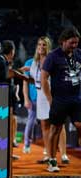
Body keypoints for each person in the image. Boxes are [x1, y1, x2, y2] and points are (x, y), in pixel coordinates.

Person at [41, 27, 81, 172]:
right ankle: (52, 161)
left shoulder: (79, 54)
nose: (74, 46)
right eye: (72, 43)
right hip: (59, 99)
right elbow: (44, 78)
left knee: (79, 125)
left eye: (76, 43)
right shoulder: (53, 56)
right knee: (55, 129)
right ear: (63, 41)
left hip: (76, 99)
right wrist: (50, 99)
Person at [27, 36, 69, 164]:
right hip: (40, 97)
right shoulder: (34, 63)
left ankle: (63, 155)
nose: (41, 47)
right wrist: (23, 74)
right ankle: (48, 154)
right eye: (39, 44)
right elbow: (35, 80)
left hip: (53, 95)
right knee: (45, 126)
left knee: (58, 125)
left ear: (48, 47)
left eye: (44, 45)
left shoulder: (53, 60)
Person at [0, 40, 29, 160]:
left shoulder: (4, 62)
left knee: (7, 126)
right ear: (12, 51)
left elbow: (6, 75)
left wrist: (20, 71)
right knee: (3, 127)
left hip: (6, 98)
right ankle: (0, 154)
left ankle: (6, 154)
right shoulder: (0, 61)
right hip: (1, 100)